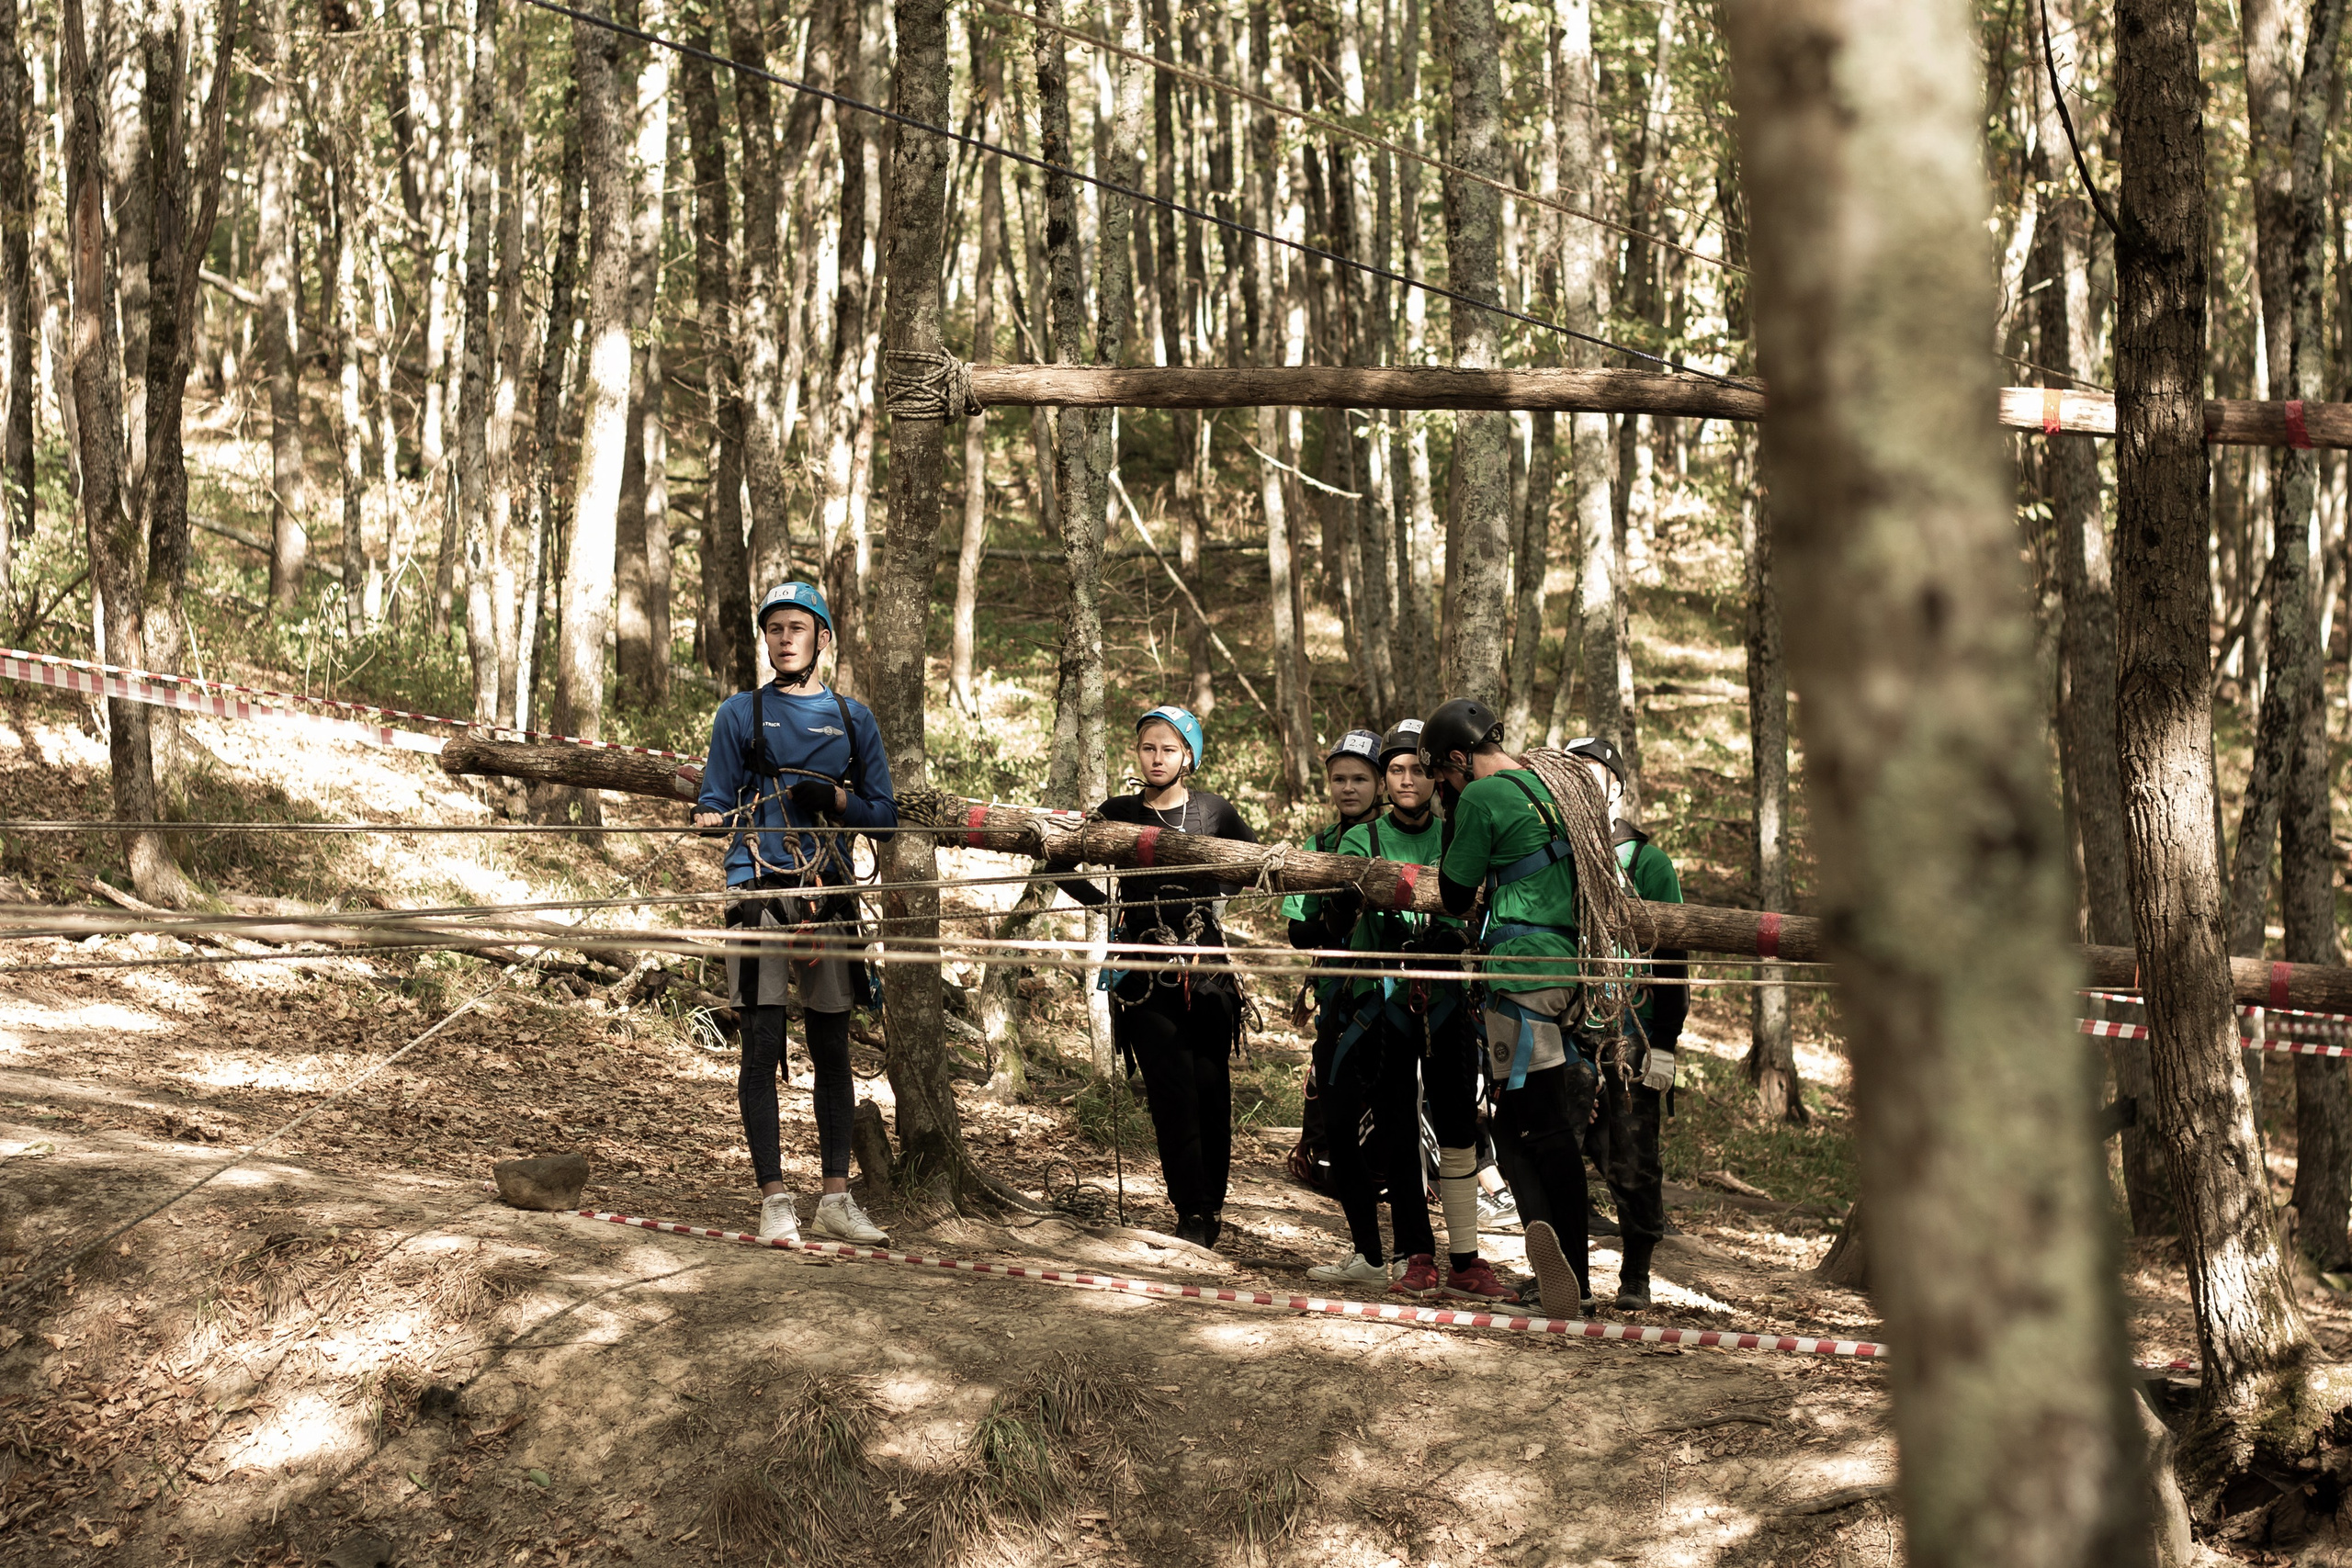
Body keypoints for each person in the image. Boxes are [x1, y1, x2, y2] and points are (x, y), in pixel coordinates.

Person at [695, 582, 897, 1248]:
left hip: (830, 892)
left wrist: (837, 801)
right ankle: (773, 1198)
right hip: (756, 885)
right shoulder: (739, 714)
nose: (784, 638)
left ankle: (836, 1198)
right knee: (760, 1041)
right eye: (774, 628)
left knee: (832, 1045)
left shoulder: (852, 718)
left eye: (797, 628)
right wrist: (709, 813)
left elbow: (886, 819)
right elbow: (714, 800)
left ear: (821, 638)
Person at [1309, 722, 1518, 1302]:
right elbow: (1333, 919)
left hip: (1449, 999)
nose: (1408, 779)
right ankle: (1416, 1254)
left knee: (1456, 1126)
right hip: (1383, 1006)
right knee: (1397, 1127)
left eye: (1419, 770)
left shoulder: (1460, 832)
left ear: (1435, 777)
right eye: (1396, 769)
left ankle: (1467, 1260)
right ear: (1384, 778)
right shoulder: (1361, 841)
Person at [1421, 696, 1611, 1317]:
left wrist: (1455, 814)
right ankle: (1562, 1272)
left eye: (1443, 776)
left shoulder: (1482, 796)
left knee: (1535, 1126)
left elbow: (1453, 890)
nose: (1445, 788)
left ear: (1456, 756)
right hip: (1561, 967)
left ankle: (1569, 1279)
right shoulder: (1549, 785)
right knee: (1525, 1124)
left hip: (1520, 972)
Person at [1067, 706, 1260, 1247]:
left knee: (1209, 1089)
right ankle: (1191, 1212)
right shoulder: (1118, 811)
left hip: (1207, 972)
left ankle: (1211, 1207)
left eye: (1169, 749)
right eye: (1149, 747)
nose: (1157, 758)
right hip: (1142, 971)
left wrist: (1208, 894)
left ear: (1189, 758)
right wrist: (1107, 903)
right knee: (1170, 1095)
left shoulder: (1215, 814)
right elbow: (1060, 860)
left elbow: (1249, 868)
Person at [1561, 735, 1686, 1309]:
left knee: (1631, 1153)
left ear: (1617, 784)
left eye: (1594, 772)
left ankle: (1635, 1272)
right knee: (1552, 1144)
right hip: (1561, 1017)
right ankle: (1564, 1271)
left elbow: (1675, 953)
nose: (1584, 781)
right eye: (1573, 771)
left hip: (1629, 1026)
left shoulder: (1646, 860)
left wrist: (1665, 1041)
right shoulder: (1552, 848)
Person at [1282, 730, 1384, 1197]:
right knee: (1336, 1070)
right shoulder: (1317, 844)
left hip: (1395, 989)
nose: (1349, 788)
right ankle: (1329, 1156)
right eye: (1339, 778)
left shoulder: (1398, 836)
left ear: (1380, 783)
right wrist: (1334, 917)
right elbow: (1297, 932)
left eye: (1360, 778)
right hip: (1336, 990)